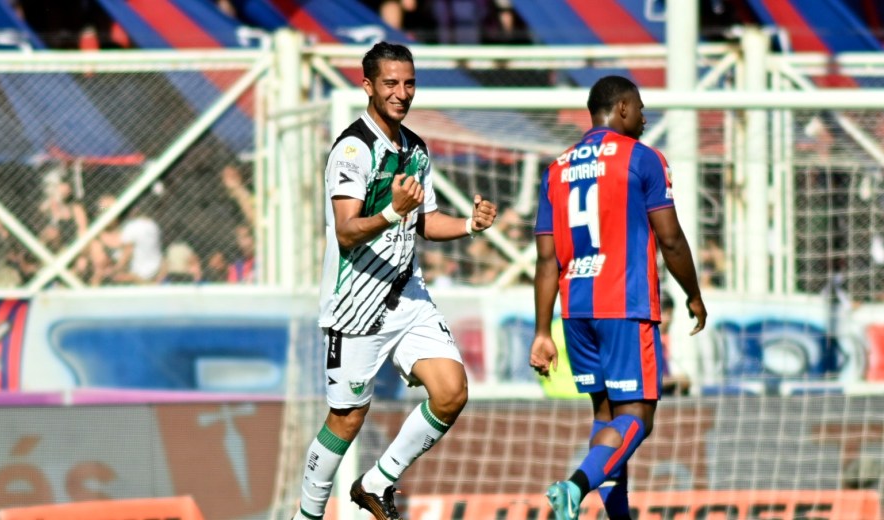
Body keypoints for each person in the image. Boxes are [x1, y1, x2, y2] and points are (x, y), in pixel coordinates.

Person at [293, 41, 497, 520]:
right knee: (348, 418)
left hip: (406, 293)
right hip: (356, 303)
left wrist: (469, 224)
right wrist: (391, 211)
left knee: (451, 391)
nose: (401, 93)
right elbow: (346, 230)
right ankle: (306, 516)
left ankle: (378, 482)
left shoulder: (415, 149)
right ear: (368, 86)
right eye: (390, 83)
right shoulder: (352, 148)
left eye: (408, 83)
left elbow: (423, 221)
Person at [529, 75, 707, 520]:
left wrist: (541, 331)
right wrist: (694, 294)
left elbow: (546, 260)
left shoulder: (557, 168)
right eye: (641, 108)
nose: (645, 118)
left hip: (576, 310)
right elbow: (671, 240)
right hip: (624, 303)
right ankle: (574, 486)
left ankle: (618, 517)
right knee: (637, 418)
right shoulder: (642, 159)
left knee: (606, 419)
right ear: (623, 108)